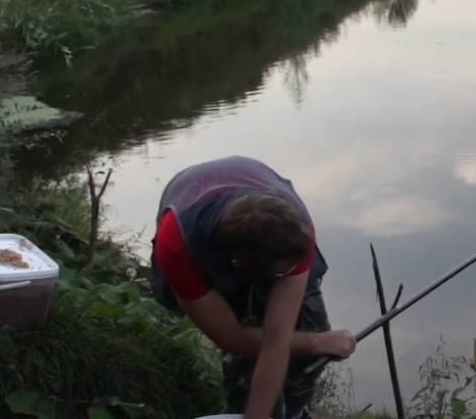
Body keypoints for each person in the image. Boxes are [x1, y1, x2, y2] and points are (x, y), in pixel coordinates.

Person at [150, 155, 357, 419]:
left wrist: (312, 338)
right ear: (239, 264)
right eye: (281, 272)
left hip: (264, 230)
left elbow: (276, 339)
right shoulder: (177, 246)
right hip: (198, 237)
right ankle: (242, 404)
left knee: (306, 330)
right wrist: (318, 342)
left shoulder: (295, 230)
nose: (289, 274)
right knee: (245, 358)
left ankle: (293, 412)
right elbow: (231, 336)